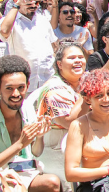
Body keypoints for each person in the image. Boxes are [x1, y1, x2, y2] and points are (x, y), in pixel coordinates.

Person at [0, 55, 60, 192]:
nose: (16, 94)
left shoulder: (26, 107)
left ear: (27, 86)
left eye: (20, 87)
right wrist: (20, 144)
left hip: (26, 171)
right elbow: (21, 144)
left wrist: (39, 137)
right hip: (3, 174)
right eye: (9, 88)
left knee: (53, 183)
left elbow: (36, 152)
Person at [36, 42, 89, 191]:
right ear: (59, 64)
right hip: (55, 146)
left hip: (83, 141)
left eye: (80, 57)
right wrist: (86, 92)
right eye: (72, 58)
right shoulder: (53, 89)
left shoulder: (83, 79)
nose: (78, 60)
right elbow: (69, 122)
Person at [0, 0, 57, 92]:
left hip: (47, 81)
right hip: (24, 85)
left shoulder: (42, 19)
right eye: (28, 0)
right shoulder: (11, 21)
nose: (33, 5)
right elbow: (4, 31)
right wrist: (17, 5)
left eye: (36, 1)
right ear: (17, 0)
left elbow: (53, 45)